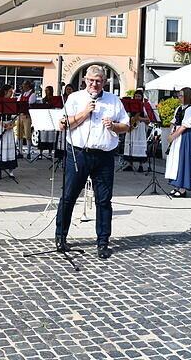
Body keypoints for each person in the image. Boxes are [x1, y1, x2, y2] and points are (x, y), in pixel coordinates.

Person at [55, 65, 129, 259]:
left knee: (104, 200)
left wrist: (114, 126)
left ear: (104, 82)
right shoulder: (75, 98)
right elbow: (63, 124)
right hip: (78, 154)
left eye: (98, 81)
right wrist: (84, 113)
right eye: (91, 80)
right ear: (85, 80)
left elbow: (126, 126)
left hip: (104, 156)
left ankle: (103, 242)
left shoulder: (114, 101)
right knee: (69, 196)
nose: (94, 84)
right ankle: (60, 237)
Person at [164, 87, 191, 197]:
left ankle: (182, 188)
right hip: (177, 135)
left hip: (184, 136)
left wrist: (173, 136)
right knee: (175, 160)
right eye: (179, 95)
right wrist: (170, 132)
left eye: (181, 95)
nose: (179, 97)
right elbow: (173, 122)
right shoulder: (179, 108)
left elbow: (185, 126)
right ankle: (176, 185)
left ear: (187, 96)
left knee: (182, 159)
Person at [122, 89, 149, 172]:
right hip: (131, 126)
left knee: (139, 145)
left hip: (140, 127)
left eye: (139, 96)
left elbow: (148, 119)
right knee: (130, 144)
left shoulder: (143, 106)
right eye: (136, 96)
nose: (137, 98)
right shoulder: (131, 105)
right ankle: (130, 164)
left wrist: (138, 118)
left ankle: (141, 166)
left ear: (141, 97)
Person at [16, 80, 37, 159]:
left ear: (28, 86)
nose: (23, 87)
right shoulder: (22, 94)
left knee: (28, 134)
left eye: (24, 85)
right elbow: (18, 102)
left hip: (27, 116)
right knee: (19, 134)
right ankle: (20, 152)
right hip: (20, 116)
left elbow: (30, 103)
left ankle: (28, 152)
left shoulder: (32, 94)